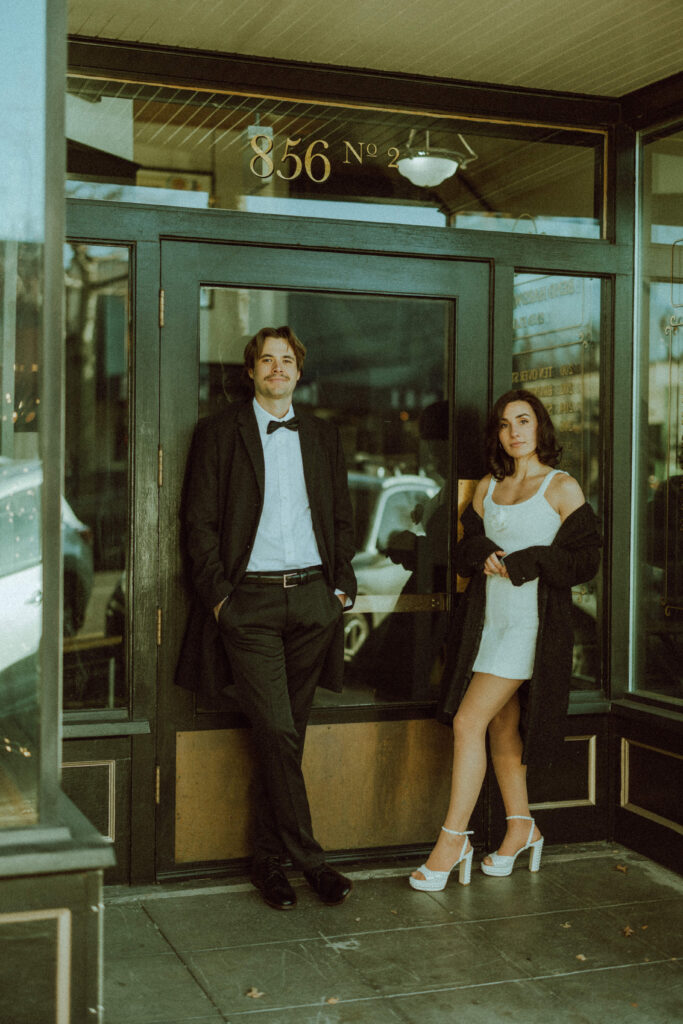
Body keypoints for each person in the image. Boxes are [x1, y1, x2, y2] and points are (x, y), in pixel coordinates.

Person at [176, 326, 357, 910]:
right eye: (266, 360)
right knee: (278, 731)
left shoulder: (325, 436)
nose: (277, 368)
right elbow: (197, 524)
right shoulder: (219, 433)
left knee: (284, 739)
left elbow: (342, 520)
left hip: (312, 601)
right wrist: (221, 600)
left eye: (287, 360)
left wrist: (340, 589)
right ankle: (312, 861)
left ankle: (268, 862)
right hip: (247, 606)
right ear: (251, 371)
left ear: (299, 372)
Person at [409, 388, 601, 891]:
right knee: (500, 729)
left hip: (529, 629)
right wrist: (481, 552)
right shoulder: (487, 488)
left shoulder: (561, 487)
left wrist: (533, 559)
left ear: (540, 428)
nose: (515, 431)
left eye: (524, 420)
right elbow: (463, 545)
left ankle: (453, 842)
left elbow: (586, 560)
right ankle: (522, 827)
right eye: (505, 424)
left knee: (468, 721)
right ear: (496, 434)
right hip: (488, 626)